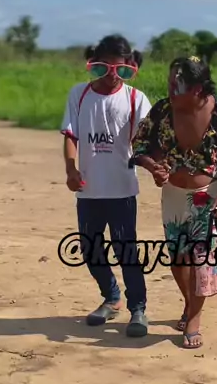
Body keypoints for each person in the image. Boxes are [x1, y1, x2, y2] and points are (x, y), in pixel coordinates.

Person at [130, 56, 217, 349]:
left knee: (200, 261)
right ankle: (189, 302)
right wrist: (152, 166)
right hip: (173, 194)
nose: (170, 89)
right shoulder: (162, 111)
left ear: (197, 88)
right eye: (169, 83)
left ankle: (194, 318)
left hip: (207, 195)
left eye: (177, 85)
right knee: (178, 258)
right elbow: (139, 144)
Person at [61, 34, 152, 337]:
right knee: (90, 249)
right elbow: (71, 135)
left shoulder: (136, 99)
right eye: (104, 68)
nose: (112, 76)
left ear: (130, 67)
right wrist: (71, 169)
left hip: (122, 190)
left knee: (126, 252)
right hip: (89, 190)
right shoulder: (79, 95)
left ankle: (137, 308)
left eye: (121, 70)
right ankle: (111, 298)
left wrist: (155, 166)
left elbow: (146, 144)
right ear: (94, 64)